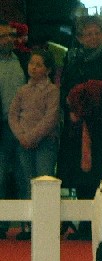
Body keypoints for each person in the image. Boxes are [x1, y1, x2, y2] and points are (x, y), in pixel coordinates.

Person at [57, 15, 102, 240]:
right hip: (78, 129)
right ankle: (86, 225)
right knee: (81, 178)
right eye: (88, 34)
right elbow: (64, 90)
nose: (94, 37)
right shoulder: (73, 60)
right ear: (79, 38)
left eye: (97, 33)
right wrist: (74, 104)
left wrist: (92, 99)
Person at [8, 49, 60, 240]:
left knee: (44, 181)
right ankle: (28, 226)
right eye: (32, 64)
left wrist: (32, 137)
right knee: (26, 182)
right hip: (23, 141)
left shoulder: (52, 90)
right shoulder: (22, 90)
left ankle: (45, 226)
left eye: (39, 65)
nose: (34, 68)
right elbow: (13, 115)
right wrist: (21, 135)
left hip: (44, 142)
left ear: (47, 69)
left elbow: (51, 117)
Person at [0, 19, 26, 239]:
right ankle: (1, 225)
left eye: (10, 36)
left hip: (21, 127)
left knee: (23, 175)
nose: (8, 40)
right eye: (3, 36)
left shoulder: (23, 60)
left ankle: (28, 225)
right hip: (1, 128)